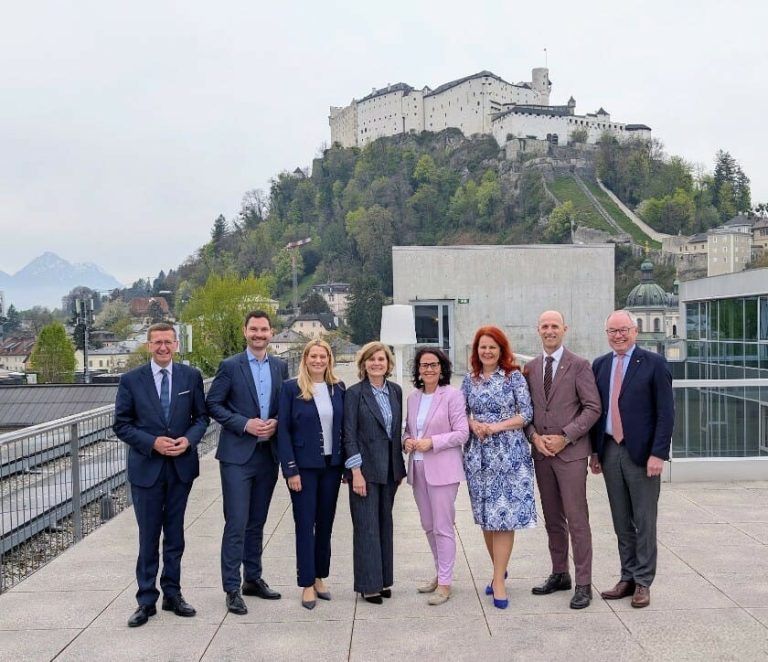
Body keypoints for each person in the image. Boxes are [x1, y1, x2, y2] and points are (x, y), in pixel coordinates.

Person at [113, 322, 209, 628]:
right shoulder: (131, 380)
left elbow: (201, 418)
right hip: (147, 469)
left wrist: (189, 440)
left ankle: (173, 594)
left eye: (168, 342)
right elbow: (121, 424)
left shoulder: (190, 377)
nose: (163, 347)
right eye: (157, 342)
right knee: (148, 536)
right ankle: (145, 600)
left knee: (175, 535)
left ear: (176, 344)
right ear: (148, 346)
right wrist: (152, 442)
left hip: (181, 468)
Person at [206, 310, 289, 615]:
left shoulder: (280, 366)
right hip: (237, 457)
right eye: (253, 329)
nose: (258, 334)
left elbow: (286, 403)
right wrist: (244, 424)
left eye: (264, 329)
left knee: (257, 521)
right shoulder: (230, 366)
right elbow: (213, 404)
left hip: (268, 456)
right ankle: (232, 588)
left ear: (271, 332)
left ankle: (252, 578)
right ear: (245, 331)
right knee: (236, 523)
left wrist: (277, 421)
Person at [590, 309, 674, 609]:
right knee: (621, 520)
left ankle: (643, 582)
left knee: (644, 520)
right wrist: (595, 452)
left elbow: (666, 413)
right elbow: (596, 412)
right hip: (610, 450)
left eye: (623, 330)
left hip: (642, 454)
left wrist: (658, 454)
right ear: (607, 335)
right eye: (613, 331)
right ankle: (627, 576)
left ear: (634, 331)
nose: (619, 336)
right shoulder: (600, 365)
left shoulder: (654, 364)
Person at [524, 311, 601, 609]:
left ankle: (583, 584)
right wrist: (534, 437)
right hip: (542, 455)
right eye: (545, 326)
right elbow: (526, 411)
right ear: (538, 330)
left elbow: (592, 408)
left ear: (564, 329)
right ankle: (560, 573)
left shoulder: (579, 365)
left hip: (570, 455)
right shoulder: (531, 368)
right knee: (553, 518)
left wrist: (565, 437)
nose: (549, 331)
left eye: (554, 326)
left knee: (577, 520)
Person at [461, 326, 535, 609]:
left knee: (503, 515)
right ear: (476, 350)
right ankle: (498, 571)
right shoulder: (469, 379)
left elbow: (526, 414)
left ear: (502, 350)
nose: (487, 351)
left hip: (509, 454)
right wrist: (473, 424)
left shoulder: (513, 377)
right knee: (486, 516)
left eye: (492, 347)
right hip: (478, 455)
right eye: (483, 347)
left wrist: (495, 427)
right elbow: (460, 413)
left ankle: (499, 581)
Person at [277, 340, 345, 610]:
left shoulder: (338, 388)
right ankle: (306, 582)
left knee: (325, 524)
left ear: (329, 359)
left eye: (323, 356)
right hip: (303, 469)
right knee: (305, 525)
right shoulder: (291, 388)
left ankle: (319, 577)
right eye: (313, 356)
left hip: (332, 467)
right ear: (305, 359)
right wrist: (290, 469)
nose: (318, 361)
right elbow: (283, 431)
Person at [403, 347, 468, 606]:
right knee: (428, 525)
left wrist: (432, 442)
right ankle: (440, 573)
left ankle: (445, 583)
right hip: (418, 468)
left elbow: (462, 433)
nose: (428, 369)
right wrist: (407, 441)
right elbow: (408, 430)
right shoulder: (413, 398)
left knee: (442, 527)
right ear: (418, 370)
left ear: (442, 369)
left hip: (443, 470)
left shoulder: (452, 395)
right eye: (424, 365)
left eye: (433, 364)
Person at [343, 341, 406, 604]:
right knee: (366, 527)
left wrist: (398, 467)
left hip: (390, 470)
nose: (376, 363)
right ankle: (368, 586)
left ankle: (382, 580)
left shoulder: (395, 391)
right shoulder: (354, 393)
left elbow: (395, 431)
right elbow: (349, 434)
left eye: (381, 359)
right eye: (371, 359)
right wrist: (355, 472)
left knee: (384, 525)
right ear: (363, 364)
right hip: (365, 471)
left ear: (388, 364)